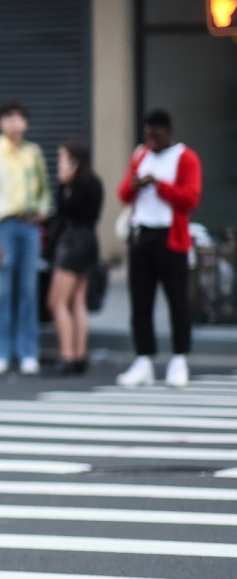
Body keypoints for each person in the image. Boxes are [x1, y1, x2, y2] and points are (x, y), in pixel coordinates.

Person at [115, 109, 202, 388]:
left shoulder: (185, 157)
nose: (151, 139)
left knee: (177, 301)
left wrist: (159, 185)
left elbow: (190, 198)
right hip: (142, 236)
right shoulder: (140, 154)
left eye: (157, 134)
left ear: (169, 132)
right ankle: (143, 359)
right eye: (148, 134)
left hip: (171, 238)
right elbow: (123, 194)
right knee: (141, 302)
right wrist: (136, 184)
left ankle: (179, 358)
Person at [0, 100, 51, 375]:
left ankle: (27, 351)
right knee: (1, 292)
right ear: (0, 123)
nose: (14, 123)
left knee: (28, 290)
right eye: (9, 118)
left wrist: (42, 211)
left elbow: (43, 187)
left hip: (29, 226)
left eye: (19, 118)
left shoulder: (33, 153)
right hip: (3, 225)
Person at [45, 138, 103, 376]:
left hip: (73, 244)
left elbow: (64, 213)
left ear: (73, 161)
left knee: (57, 301)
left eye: (61, 158)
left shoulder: (75, 185)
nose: (59, 164)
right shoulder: (95, 182)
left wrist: (63, 185)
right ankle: (79, 355)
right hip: (90, 242)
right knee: (78, 301)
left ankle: (67, 355)